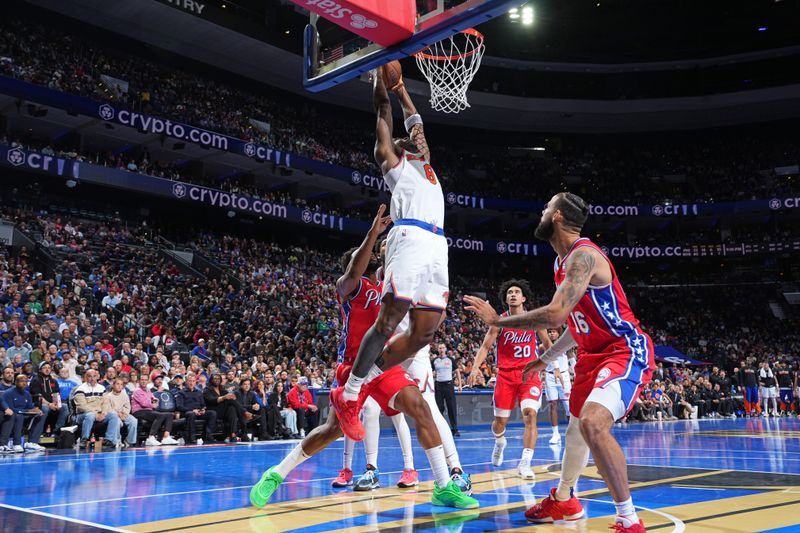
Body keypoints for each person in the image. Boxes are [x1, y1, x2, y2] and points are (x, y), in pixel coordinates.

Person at [250, 210, 477, 511]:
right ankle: (275, 474)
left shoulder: (390, 284)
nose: (368, 258)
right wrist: (372, 233)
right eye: (363, 257)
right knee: (332, 430)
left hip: (383, 365)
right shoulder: (350, 289)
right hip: (353, 367)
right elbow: (355, 270)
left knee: (420, 408)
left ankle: (444, 486)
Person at [465, 192, 655, 533]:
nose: (541, 211)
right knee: (576, 427)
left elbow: (554, 315)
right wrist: (545, 358)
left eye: (545, 207)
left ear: (556, 217)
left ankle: (629, 518)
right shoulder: (560, 264)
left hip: (622, 349)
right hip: (590, 355)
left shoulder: (583, 256)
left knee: (594, 424)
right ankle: (565, 498)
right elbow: (573, 325)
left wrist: (498, 321)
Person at [334, 64, 449, 443]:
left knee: (424, 333)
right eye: (406, 140)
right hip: (410, 236)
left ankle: (372, 373)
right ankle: (350, 392)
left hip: (437, 244)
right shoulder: (393, 160)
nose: (413, 139)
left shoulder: (424, 163)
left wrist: (403, 90)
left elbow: (417, 124)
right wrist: (381, 84)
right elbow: (382, 115)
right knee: (389, 319)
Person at [469, 279, 551, 479]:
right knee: (500, 422)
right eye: (509, 292)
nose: (513, 294)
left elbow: (548, 343)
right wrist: (474, 368)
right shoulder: (500, 321)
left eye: (517, 292)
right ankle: (500, 441)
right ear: (506, 298)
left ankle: (525, 463)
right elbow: (486, 346)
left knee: (530, 414)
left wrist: (550, 367)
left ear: (523, 298)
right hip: (505, 375)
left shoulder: (535, 320)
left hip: (529, 374)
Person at [73, 369, 121, 447]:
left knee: (113, 415)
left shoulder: (101, 388)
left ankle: (108, 440)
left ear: (97, 377)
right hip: (83, 414)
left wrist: (104, 413)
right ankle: (84, 440)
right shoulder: (80, 389)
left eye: (94, 376)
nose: (92, 379)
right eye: (89, 376)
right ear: (85, 377)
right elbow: (82, 406)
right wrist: (96, 414)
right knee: (90, 415)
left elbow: (106, 403)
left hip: (100, 413)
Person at [0, 373, 45, 452]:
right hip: (13, 415)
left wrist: (36, 410)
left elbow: (29, 407)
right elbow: (10, 409)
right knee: (18, 415)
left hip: (24, 414)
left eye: (26, 381)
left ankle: (32, 442)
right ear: (16, 382)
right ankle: (16, 444)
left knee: (40, 415)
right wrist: (27, 411)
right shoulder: (8, 393)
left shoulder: (27, 394)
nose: (24, 383)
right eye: (21, 381)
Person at [131, 374, 179, 446]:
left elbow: (154, 398)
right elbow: (144, 403)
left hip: (148, 410)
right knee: (160, 416)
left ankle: (166, 437)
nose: (144, 382)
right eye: (142, 380)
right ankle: (151, 437)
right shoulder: (137, 391)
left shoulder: (147, 390)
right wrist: (153, 404)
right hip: (139, 411)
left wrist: (155, 401)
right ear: (139, 381)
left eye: (145, 380)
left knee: (169, 415)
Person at [543, 326, 572, 444]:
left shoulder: (565, 344)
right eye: (549, 332)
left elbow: (572, 358)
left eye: (553, 332)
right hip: (550, 377)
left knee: (568, 405)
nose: (551, 334)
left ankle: (572, 432)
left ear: (558, 333)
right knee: (552, 404)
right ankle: (555, 434)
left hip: (564, 376)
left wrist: (576, 370)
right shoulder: (543, 347)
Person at [175, 374, 217, 445]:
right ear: (186, 382)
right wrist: (193, 410)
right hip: (187, 412)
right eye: (190, 381)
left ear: (195, 382)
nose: (191, 383)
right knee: (191, 414)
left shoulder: (199, 392)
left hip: (199, 412)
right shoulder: (181, 393)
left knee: (212, 413)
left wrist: (203, 409)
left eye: (193, 381)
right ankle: (192, 437)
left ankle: (208, 435)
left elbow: (203, 404)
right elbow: (179, 406)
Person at [29, 361, 69, 435]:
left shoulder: (53, 381)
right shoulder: (35, 380)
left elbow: (56, 394)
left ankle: (56, 430)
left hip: (52, 403)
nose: (47, 370)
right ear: (40, 370)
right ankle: (39, 432)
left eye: (49, 368)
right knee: (45, 407)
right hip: (38, 403)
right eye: (45, 368)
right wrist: (49, 404)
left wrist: (57, 404)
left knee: (65, 407)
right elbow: (38, 396)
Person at [204, 373, 244, 442]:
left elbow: (229, 395)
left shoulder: (222, 389)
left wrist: (232, 396)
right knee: (230, 401)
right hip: (213, 410)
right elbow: (211, 400)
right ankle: (244, 413)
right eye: (215, 379)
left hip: (223, 411)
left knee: (232, 408)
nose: (217, 380)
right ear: (211, 380)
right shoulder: (207, 389)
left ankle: (232, 434)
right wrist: (224, 397)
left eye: (218, 379)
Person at [433, 343, 459, 438]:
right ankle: (441, 429)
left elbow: (457, 371)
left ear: (446, 349)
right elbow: (431, 372)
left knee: (452, 408)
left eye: (443, 347)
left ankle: (455, 429)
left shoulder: (451, 359)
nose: (441, 349)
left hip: (449, 385)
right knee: (439, 408)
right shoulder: (434, 361)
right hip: (439, 386)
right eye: (440, 348)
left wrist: (459, 384)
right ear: (438, 349)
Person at [103, 378, 137, 447]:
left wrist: (124, 414)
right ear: (113, 385)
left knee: (134, 420)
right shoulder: (108, 396)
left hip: (123, 414)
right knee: (117, 422)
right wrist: (118, 414)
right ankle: (116, 441)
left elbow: (127, 407)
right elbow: (108, 409)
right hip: (114, 415)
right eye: (117, 384)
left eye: (121, 384)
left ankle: (129, 441)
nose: (119, 386)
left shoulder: (125, 395)